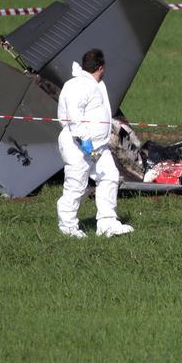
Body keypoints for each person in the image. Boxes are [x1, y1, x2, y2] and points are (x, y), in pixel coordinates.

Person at [56, 49, 134, 238]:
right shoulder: (77, 86)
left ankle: (107, 223)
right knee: (76, 184)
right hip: (77, 145)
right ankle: (67, 228)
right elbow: (73, 118)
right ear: (101, 68)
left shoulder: (96, 84)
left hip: (98, 146)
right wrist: (85, 140)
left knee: (110, 176)